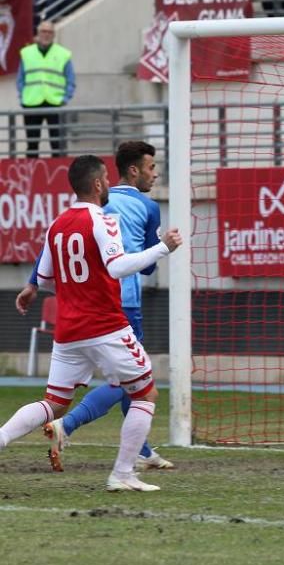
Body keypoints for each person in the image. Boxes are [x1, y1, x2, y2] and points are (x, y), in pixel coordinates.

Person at [3, 154, 182, 492]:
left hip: (68, 331)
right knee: (145, 393)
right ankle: (123, 474)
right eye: (106, 180)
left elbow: (44, 271)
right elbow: (116, 267)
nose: (109, 186)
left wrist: (30, 289)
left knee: (53, 403)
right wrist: (162, 248)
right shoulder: (104, 220)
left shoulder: (57, 224)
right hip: (104, 325)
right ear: (99, 184)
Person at [16, 21, 76, 158]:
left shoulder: (63, 54)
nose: (46, 34)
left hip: (55, 103)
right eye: (43, 31)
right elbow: (20, 79)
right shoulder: (26, 53)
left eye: (49, 32)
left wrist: (65, 99)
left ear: (54, 35)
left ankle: (61, 176)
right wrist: (22, 97)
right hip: (31, 103)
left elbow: (71, 80)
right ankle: (30, 176)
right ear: (38, 33)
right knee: (32, 143)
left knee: (57, 144)